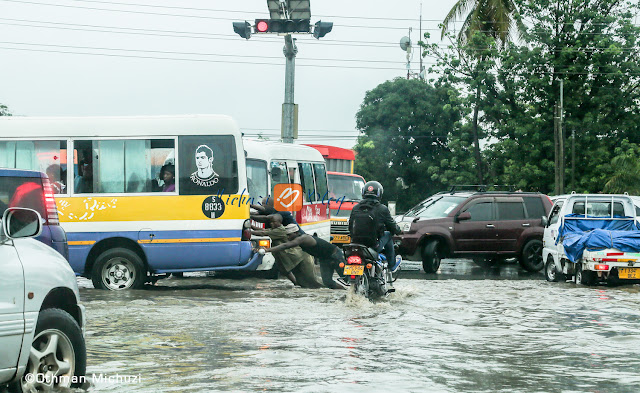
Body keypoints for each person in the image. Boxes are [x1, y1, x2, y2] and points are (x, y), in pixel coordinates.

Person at [265, 224, 347, 290]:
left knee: (346, 278)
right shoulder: (299, 240)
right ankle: (345, 292)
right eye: (287, 235)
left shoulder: (303, 239)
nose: (288, 237)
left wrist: (268, 250)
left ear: (296, 233)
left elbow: (286, 245)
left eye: (289, 235)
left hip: (335, 255)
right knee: (327, 282)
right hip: (324, 259)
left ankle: (354, 293)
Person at [251, 214, 322, 289]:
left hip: (297, 256)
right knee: (292, 275)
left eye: (274, 222)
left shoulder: (280, 230)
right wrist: (250, 226)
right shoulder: (275, 230)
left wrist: (249, 231)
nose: (271, 223)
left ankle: (329, 286)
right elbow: (262, 230)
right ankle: (297, 284)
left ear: (280, 222)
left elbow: (262, 233)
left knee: (312, 280)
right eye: (271, 222)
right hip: (287, 256)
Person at [349, 180, 402, 272]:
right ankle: (392, 265)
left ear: (363, 192)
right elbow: (392, 226)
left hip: (355, 244)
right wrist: (398, 231)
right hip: (373, 245)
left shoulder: (356, 208)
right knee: (388, 234)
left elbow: (350, 227)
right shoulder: (382, 209)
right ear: (379, 194)